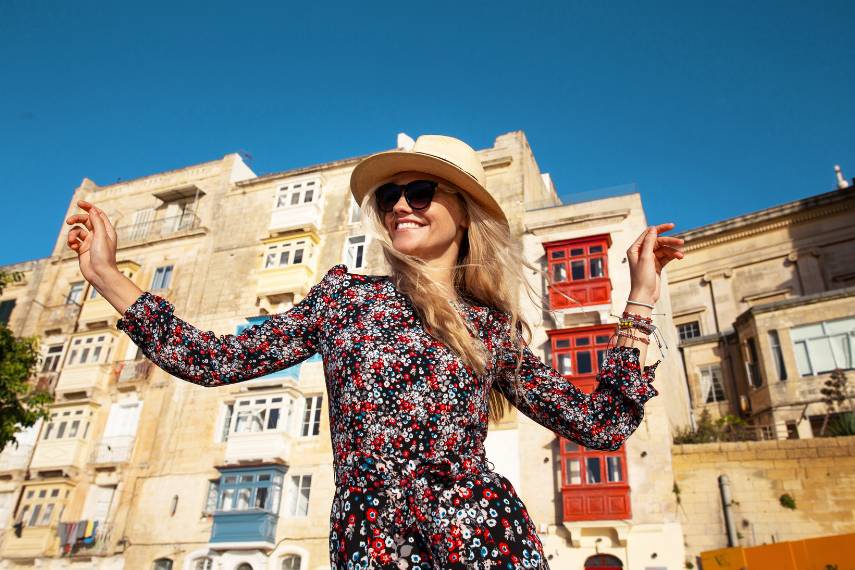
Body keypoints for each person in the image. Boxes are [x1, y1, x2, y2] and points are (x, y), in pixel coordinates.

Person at [66, 134, 684, 569]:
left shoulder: (491, 328)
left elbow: (601, 425)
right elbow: (212, 359)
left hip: (485, 540)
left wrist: (639, 300)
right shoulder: (345, 299)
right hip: (374, 543)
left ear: (465, 212)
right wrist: (106, 276)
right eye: (390, 197)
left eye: (421, 191)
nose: (401, 206)